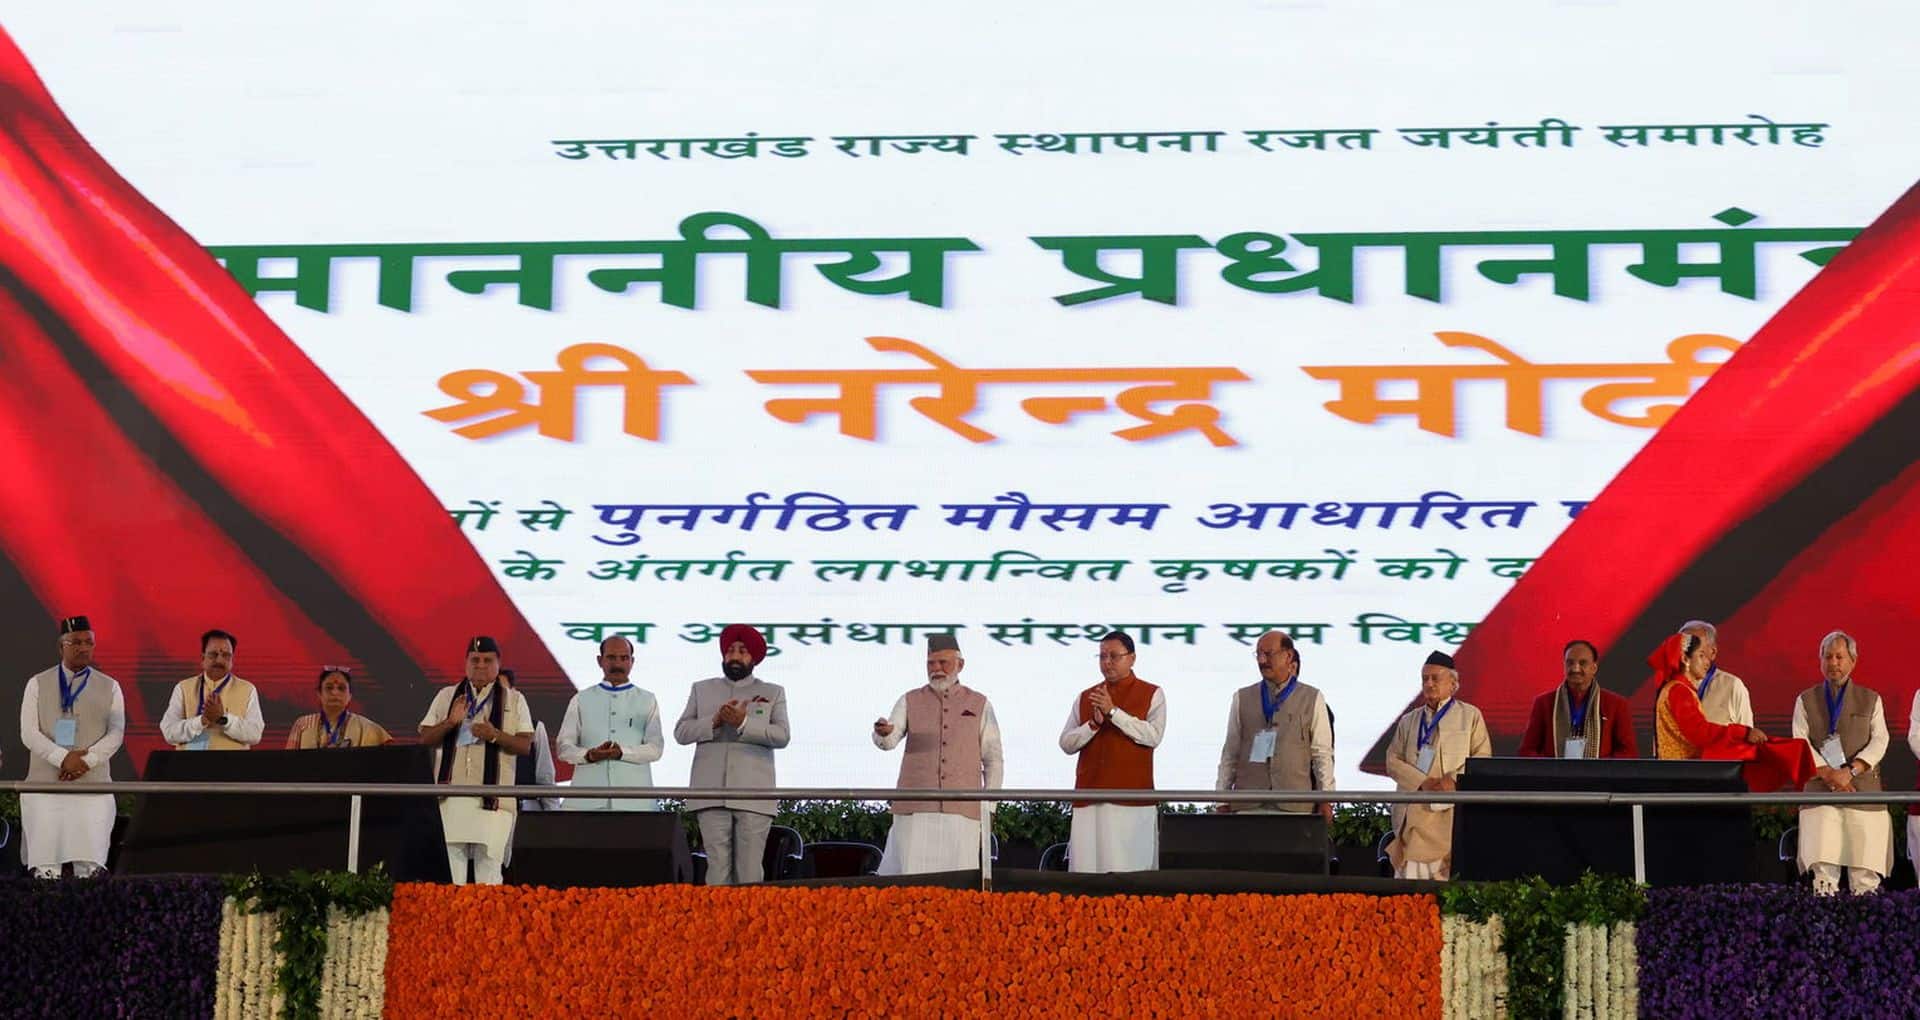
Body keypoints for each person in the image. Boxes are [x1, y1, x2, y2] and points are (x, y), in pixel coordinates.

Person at [872, 634, 1005, 874]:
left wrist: (990, 807)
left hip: (962, 812)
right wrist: (883, 733)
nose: (937, 669)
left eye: (943, 663)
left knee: (958, 886)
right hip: (915, 810)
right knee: (911, 881)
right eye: (931, 664)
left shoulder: (979, 703)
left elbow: (993, 759)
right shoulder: (910, 700)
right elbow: (889, 740)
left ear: (960, 665)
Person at [674, 624, 790, 885]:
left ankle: (751, 925)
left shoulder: (772, 692)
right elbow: (681, 733)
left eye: (742, 651)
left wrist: (743, 724)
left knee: (749, 873)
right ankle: (716, 925)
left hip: (753, 794)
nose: (735, 656)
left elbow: (782, 736)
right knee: (717, 871)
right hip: (710, 792)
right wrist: (712, 723)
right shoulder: (701, 689)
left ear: (754, 658)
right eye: (730, 651)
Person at [417, 636, 533, 885]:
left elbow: (524, 745)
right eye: (475, 659)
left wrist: (495, 735)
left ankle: (487, 925)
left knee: (489, 879)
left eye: (487, 660)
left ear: (498, 664)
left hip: (495, 802)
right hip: (450, 800)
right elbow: (425, 738)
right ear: (465, 663)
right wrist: (450, 722)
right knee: (451, 880)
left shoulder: (514, 699)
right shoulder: (447, 695)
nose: (480, 665)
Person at [17, 616, 124, 879]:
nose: (83, 648)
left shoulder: (110, 686)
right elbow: (29, 733)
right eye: (76, 642)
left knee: (88, 870)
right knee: (46, 870)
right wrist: (63, 758)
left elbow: (116, 733)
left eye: (89, 642)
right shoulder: (37, 683)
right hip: (45, 788)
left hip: (92, 788)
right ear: (61, 647)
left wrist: (85, 762)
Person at [1792, 631, 1893, 896]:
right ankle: (1824, 931)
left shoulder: (1871, 699)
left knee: (1864, 874)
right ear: (1820, 661)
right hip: (1820, 793)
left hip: (1862, 793)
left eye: (1839, 656)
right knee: (1823, 873)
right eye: (1827, 657)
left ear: (1853, 661)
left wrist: (1851, 771)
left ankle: (1868, 930)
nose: (1833, 662)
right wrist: (1828, 774)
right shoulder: (1805, 700)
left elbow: (1880, 740)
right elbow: (1800, 741)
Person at [1650, 631, 1814, 789]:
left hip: (1681, 777)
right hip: (1684, 780)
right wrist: (1742, 733)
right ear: (1685, 659)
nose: (1707, 661)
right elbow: (1700, 732)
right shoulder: (1679, 691)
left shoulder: (1676, 688)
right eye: (1701, 655)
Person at [1060, 631, 1166, 873]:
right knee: (1088, 875)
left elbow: (1153, 736)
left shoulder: (1152, 693)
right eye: (1102, 656)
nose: (1106, 662)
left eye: (1114, 656)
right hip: (1090, 799)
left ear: (1132, 658)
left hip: (1132, 803)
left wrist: (1113, 713)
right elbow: (1066, 743)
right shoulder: (1086, 696)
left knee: (1130, 877)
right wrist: (1093, 725)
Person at [1382, 651, 1492, 880]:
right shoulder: (1409, 720)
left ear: (1453, 683)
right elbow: (1392, 761)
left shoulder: (1470, 715)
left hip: (1450, 814)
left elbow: (1482, 758)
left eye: (1435, 678)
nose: (1429, 684)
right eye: (1425, 679)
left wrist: (1452, 780)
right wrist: (1423, 782)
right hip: (1413, 813)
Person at [1215, 630, 1333, 818]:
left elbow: (1322, 753)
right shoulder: (1242, 697)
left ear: (1288, 656)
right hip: (1248, 804)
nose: (1262, 660)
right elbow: (1230, 753)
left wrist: (1326, 799)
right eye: (1258, 654)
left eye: (1268, 654)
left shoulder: (1312, 697)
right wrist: (1221, 799)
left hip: (1295, 805)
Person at [557, 637, 664, 811]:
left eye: (624, 658)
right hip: (585, 802)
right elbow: (564, 748)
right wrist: (589, 755)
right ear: (600, 660)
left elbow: (655, 748)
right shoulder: (581, 699)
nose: (618, 664)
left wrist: (622, 753)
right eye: (611, 657)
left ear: (632, 661)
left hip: (636, 803)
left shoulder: (647, 700)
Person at [1518, 640, 1638, 758]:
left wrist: (1597, 769)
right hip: (1555, 776)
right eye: (1570, 663)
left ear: (1594, 668)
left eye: (1582, 663)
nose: (1575, 669)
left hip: (1599, 777)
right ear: (1564, 666)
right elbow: (1527, 751)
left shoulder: (1616, 705)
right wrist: (1553, 768)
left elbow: (1628, 753)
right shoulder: (1544, 703)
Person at [158, 629, 264, 750]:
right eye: (213, 654)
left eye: (226, 655)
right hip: (189, 766)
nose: (219, 660)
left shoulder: (247, 689)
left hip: (233, 767)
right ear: (203, 658)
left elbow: (255, 734)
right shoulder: (183, 688)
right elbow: (169, 732)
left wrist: (223, 719)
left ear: (232, 660)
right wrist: (202, 721)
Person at [284, 667, 392, 748]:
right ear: (319, 694)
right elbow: (288, 764)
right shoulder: (302, 724)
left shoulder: (367, 727)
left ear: (350, 696)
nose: (335, 692)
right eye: (329, 688)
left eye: (341, 688)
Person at [1678, 620, 1754, 726]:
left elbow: (1747, 738)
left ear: (1712, 652)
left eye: (1694, 645)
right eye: (1682, 644)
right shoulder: (1670, 687)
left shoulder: (1732, 686)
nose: (1687, 650)